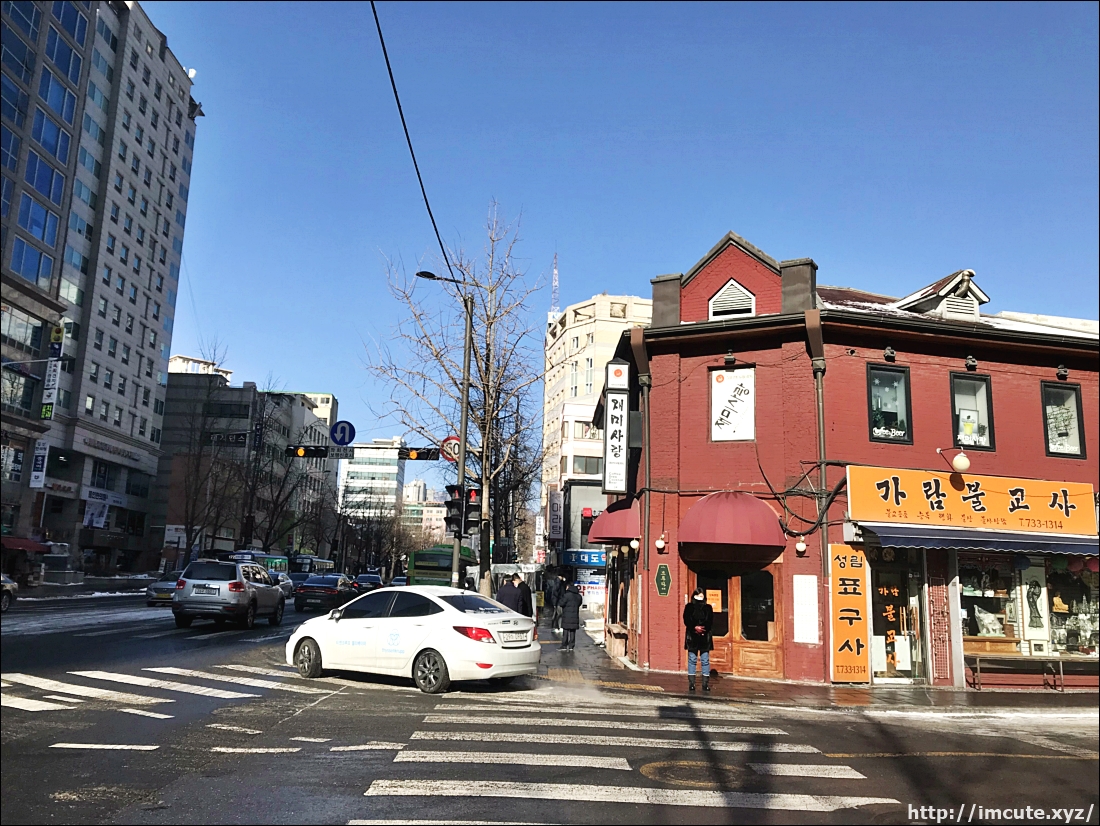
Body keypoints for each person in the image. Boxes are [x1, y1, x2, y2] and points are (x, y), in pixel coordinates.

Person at [683, 587, 714, 692]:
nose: (700, 597)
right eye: (698, 595)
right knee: (692, 659)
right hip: (692, 637)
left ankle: (705, 684)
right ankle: (691, 683)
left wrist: (703, 629)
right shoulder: (689, 607)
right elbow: (686, 620)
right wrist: (694, 627)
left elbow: (710, 621)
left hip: (705, 637)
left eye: (702, 595)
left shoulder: (708, 607)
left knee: (705, 660)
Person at [558, 580, 583, 651]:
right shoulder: (579, 596)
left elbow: (561, 603)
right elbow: (579, 604)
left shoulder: (566, 595)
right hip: (575, 616)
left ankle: (564, 645)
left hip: (566, 616)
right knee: (572, 631)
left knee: (565, 631)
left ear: (568, 587)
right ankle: (571, 645)